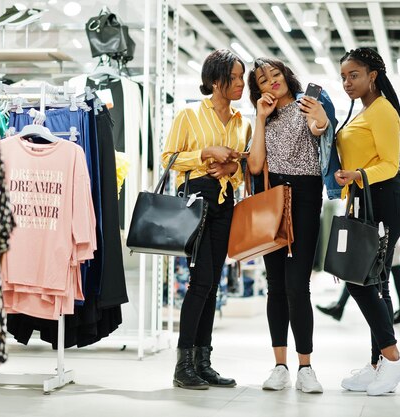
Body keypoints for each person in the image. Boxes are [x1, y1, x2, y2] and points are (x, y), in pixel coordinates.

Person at [162, 49, 250, 390]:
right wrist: (205, 153)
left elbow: (240, 171)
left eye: (242, 77)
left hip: (225, 202)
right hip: (196, 200)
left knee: (213, 283)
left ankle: (203, 361)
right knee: (200, 283)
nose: (241, 84)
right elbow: (169, 158)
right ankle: (182, 365)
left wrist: (232, 168)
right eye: (236, 78)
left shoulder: (242, 122)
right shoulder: (189, 115)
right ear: (216, 81)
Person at [334, 47, 400, 396]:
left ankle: (394, 359)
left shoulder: (382, 110)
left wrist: (357, 174)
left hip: (386, 201)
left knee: (359, 280)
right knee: (374, 282)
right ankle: (377, 366)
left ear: (373, 75)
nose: (347, 83)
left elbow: (390, 164)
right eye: (343, 77)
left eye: (354, 75)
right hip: (369, 202)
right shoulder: (365, 111)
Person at [247, 57, 331, 393]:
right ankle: (280, 365)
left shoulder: (305, 106)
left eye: (276, 75)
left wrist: (320, 117)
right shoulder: (266, 117)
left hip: (306, 200)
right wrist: (260, 117)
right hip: (271, 201)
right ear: (258, 89)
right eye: (263, 80)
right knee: (276, 286)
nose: (272, 82)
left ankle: (306, 366)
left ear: (286, 76)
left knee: (299, 286)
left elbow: (319, 129)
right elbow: (254, 166)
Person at [317, 244, 400, 324]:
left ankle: (339, 306)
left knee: (379, 277)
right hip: (384, 229)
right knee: (383, 274)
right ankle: (339, 306)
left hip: (384, 229)